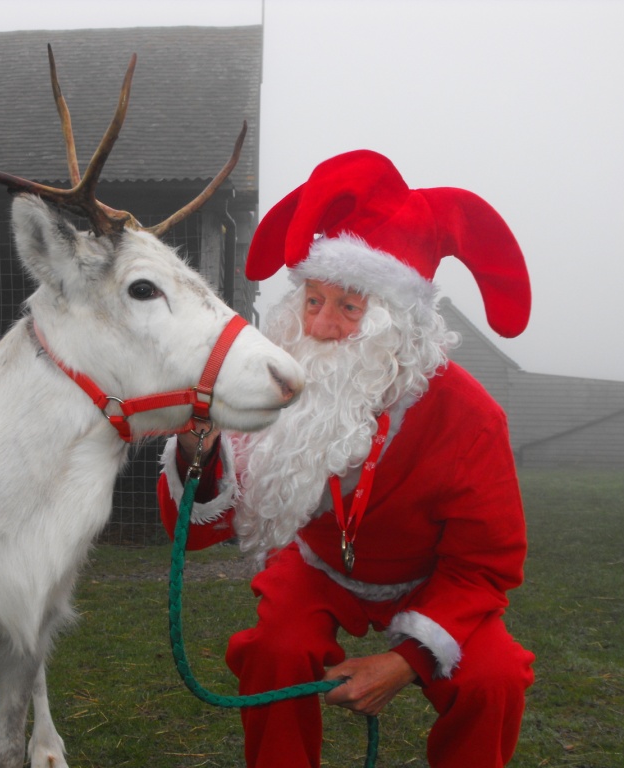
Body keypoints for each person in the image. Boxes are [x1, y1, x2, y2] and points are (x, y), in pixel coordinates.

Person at [157, 150, 536, 768]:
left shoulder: (472, 418)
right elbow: (203, 529)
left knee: (495, 680)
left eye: (349, 307)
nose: (323, 327)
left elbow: (486, 566)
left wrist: (406, 661)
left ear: (398, 323)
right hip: (317, 567)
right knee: (273, 650)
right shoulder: (283, 381)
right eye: (313, 301)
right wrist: (197, 455)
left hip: (435, 581)